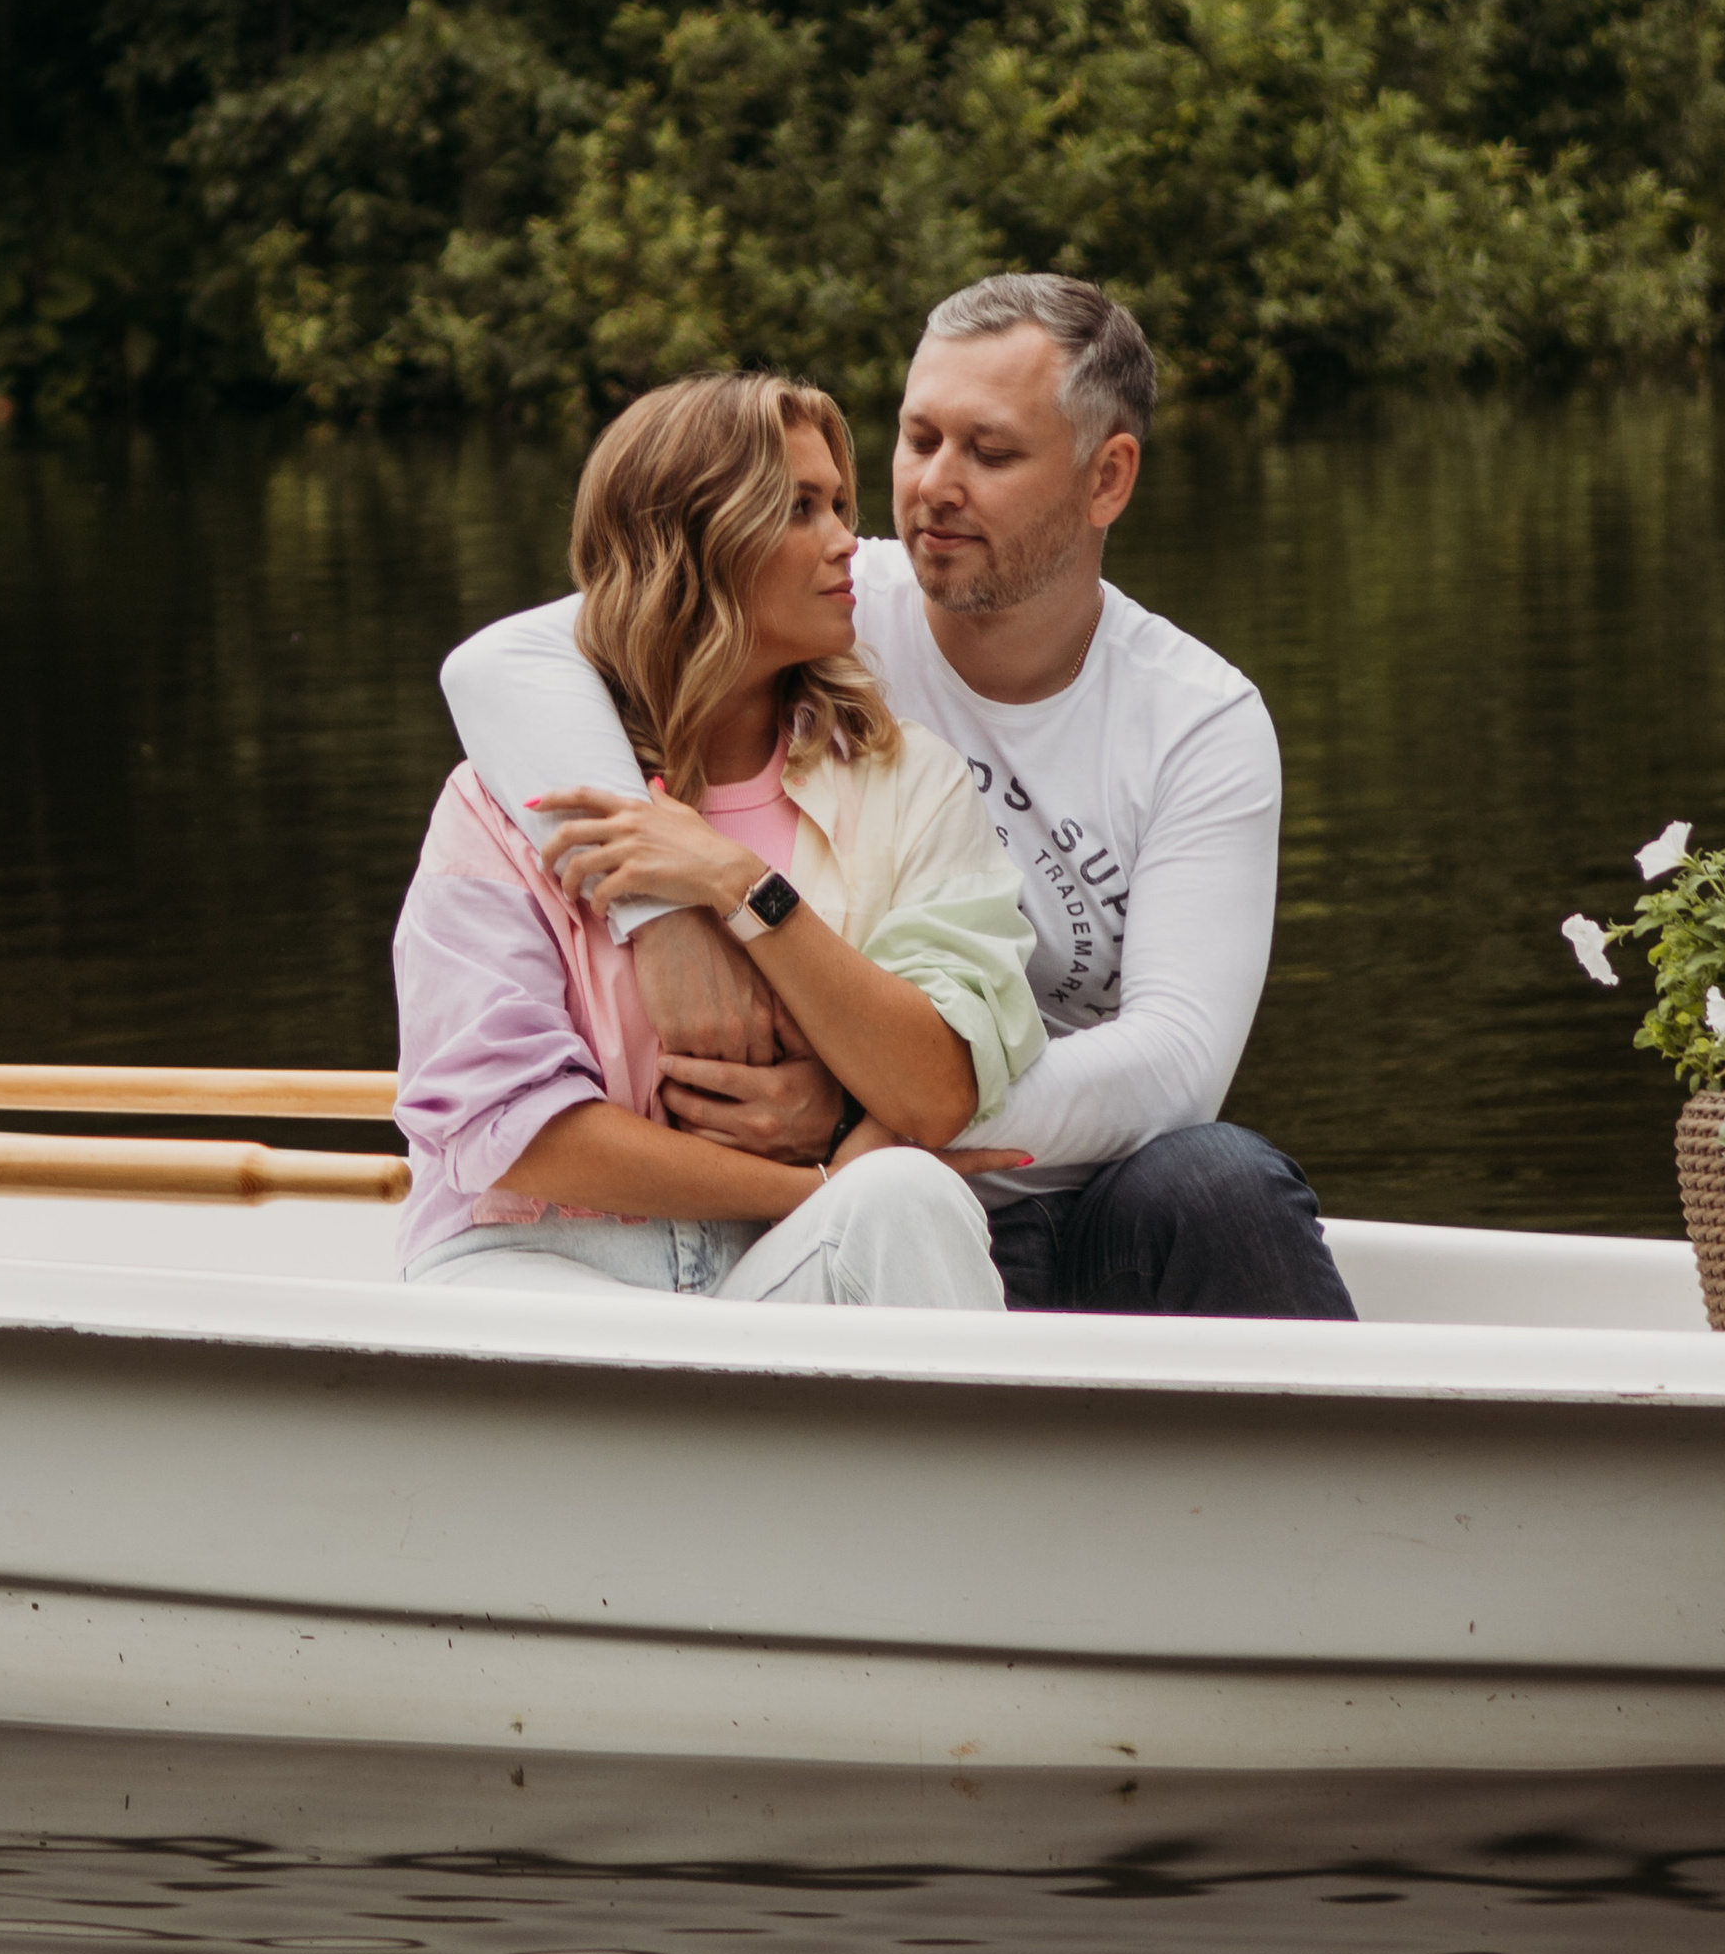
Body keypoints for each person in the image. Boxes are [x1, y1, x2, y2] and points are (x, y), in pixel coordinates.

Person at [443, 274, 1354, 1321]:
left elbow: (1177, 1064)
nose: (932, 487)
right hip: (867, 1216)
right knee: (898, 1210)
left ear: (1108, 479)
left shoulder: (1199, 720)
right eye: (917, 440)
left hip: (1070, 1189)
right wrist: (662, 919)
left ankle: (1367, 1482)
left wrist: (866, 1116)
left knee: (1221, 1182)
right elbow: (501, 662)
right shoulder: (826, 607)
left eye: (990, 451)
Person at [394, 369, 1040, 1310]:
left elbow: (935, 1089)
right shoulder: (504, 801)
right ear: (689, 544)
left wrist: (743, 887)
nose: (844, 543)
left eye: (840, 506)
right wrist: (812, 1183)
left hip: (769, 1263)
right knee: (879, 1189)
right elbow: (512, 1128)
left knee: (904, 1197)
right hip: (535, 1265)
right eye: (798, 510)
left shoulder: (909, 782)